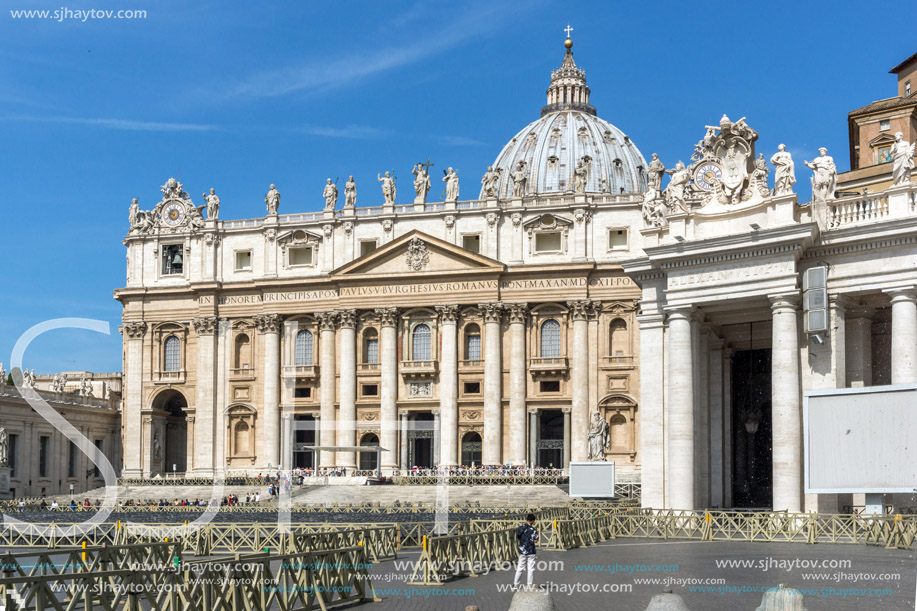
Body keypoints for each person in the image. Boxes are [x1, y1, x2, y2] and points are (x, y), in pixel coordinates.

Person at [513, 513, 539, 590]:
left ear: (526, 519)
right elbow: (536, 540)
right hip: (531, 551)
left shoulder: (520, 528)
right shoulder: (534, 530)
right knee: (530, 568)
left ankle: (516, 584)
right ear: (533, 521)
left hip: (523, 550)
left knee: (520, 568)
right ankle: (529, 585)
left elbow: (517, 537)